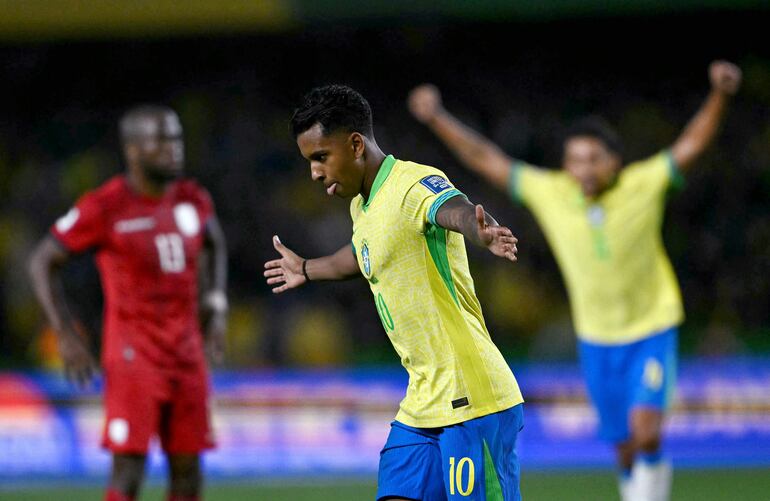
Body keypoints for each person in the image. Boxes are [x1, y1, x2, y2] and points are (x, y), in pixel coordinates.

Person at [408, 60, 742, 501]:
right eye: (574, 160)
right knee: (624, 448)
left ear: (614, 162)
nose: (582, 169)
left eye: (592, 159)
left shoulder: (643, 184)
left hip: (651, 330)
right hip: (597, 339)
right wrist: (436, 117)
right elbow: (486, 159)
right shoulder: (552, 193)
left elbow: (691, 145)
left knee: (646, 434)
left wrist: (721, 94)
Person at [264, 84, 524, 500]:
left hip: (473, 397)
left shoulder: (411, 183)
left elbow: (450, 208)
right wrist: (307, 269)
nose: (314, 173)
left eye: (320, 158)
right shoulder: (361, 206)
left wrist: (480, 229)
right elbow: (360, 254)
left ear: (354, 145)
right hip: (423, 399)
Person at [28, 105, 228, 501]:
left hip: (187, 354)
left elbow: (215, 243)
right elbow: (41, 261)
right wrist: (65, 333)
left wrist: (216, 303)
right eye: (163, 140)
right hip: (134, 357)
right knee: (128, 471)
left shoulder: (192, 199)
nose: (175, 148)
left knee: (188, 473)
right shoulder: (105, 206)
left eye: (177, 138)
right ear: (134, 151)